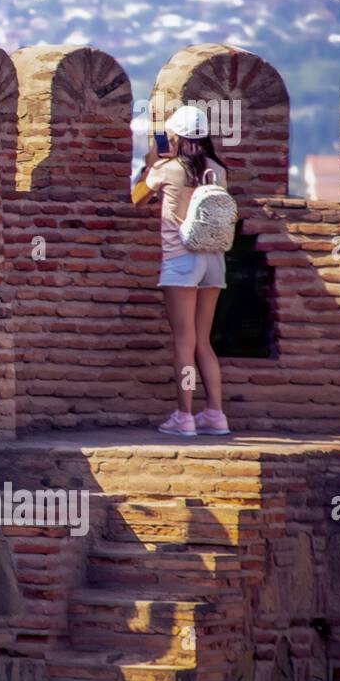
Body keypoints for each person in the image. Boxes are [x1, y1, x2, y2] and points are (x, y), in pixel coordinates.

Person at [134, 104, 232, 437]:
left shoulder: (168, 168)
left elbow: (136, 198)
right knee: (204, 341)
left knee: (183, 342)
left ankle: (184, 415)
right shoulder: (218, 169)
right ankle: (215, 415)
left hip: (181, 260)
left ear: (175, 137)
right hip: (214, 260)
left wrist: (150, 164)